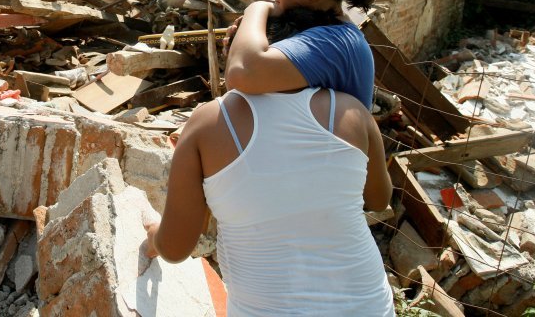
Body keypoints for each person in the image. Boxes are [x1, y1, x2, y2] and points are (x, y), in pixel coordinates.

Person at [144, 86, 394, 315]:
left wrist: (154, 235)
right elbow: (380, 199)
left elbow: (175, 248)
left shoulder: (209, 121)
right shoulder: (349, 109)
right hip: (368, 305)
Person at [224, 0, 375, 108]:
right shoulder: (330, 30)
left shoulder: (334, 42)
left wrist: (256, 8)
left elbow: (242, 73)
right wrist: (238, 48)